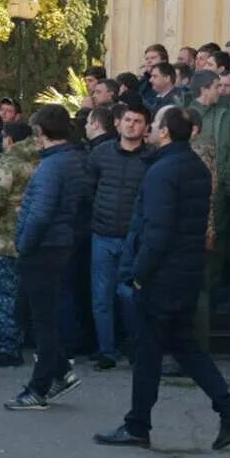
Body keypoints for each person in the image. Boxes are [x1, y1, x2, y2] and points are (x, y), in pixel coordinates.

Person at [92, 107, 230, 451]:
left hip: (162, 275)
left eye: (154, 125)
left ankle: (138, 425)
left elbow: (157, 230)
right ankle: (228, 406)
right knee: (184, 345)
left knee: (147, 352)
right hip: (186, 271)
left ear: (164, 132)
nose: (147, 129)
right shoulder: (191, 166)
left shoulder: (164, 171)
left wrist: (139, 275)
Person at [1, 104, 88, 410]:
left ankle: (39, 387)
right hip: (55, 244)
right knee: (30, 311)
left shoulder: (53, 166)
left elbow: (41, 213)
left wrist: (24, 243)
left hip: (44, 248)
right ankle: (60, 370)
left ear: (40, 132)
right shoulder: (70, 160)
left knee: (40, 318)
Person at [86, 102, 149, 370]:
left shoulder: (152, 158)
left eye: (137, 121)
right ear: (118, 123)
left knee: (130, 297)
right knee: (101, 297)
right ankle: (106, 351)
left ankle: (137, 350)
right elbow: (89, 188)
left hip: (135, 239)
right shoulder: (100, 154)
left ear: (146, 127)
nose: (132, 125)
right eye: (128, 120)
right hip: (102, 234)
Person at [0, 126, 39, 369]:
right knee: (27, 295)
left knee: (4, 296)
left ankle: (9, 347)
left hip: (3, 240)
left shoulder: (5, 165)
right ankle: (27, 340)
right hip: (32, 239)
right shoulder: (41, 163)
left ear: (9, 140)